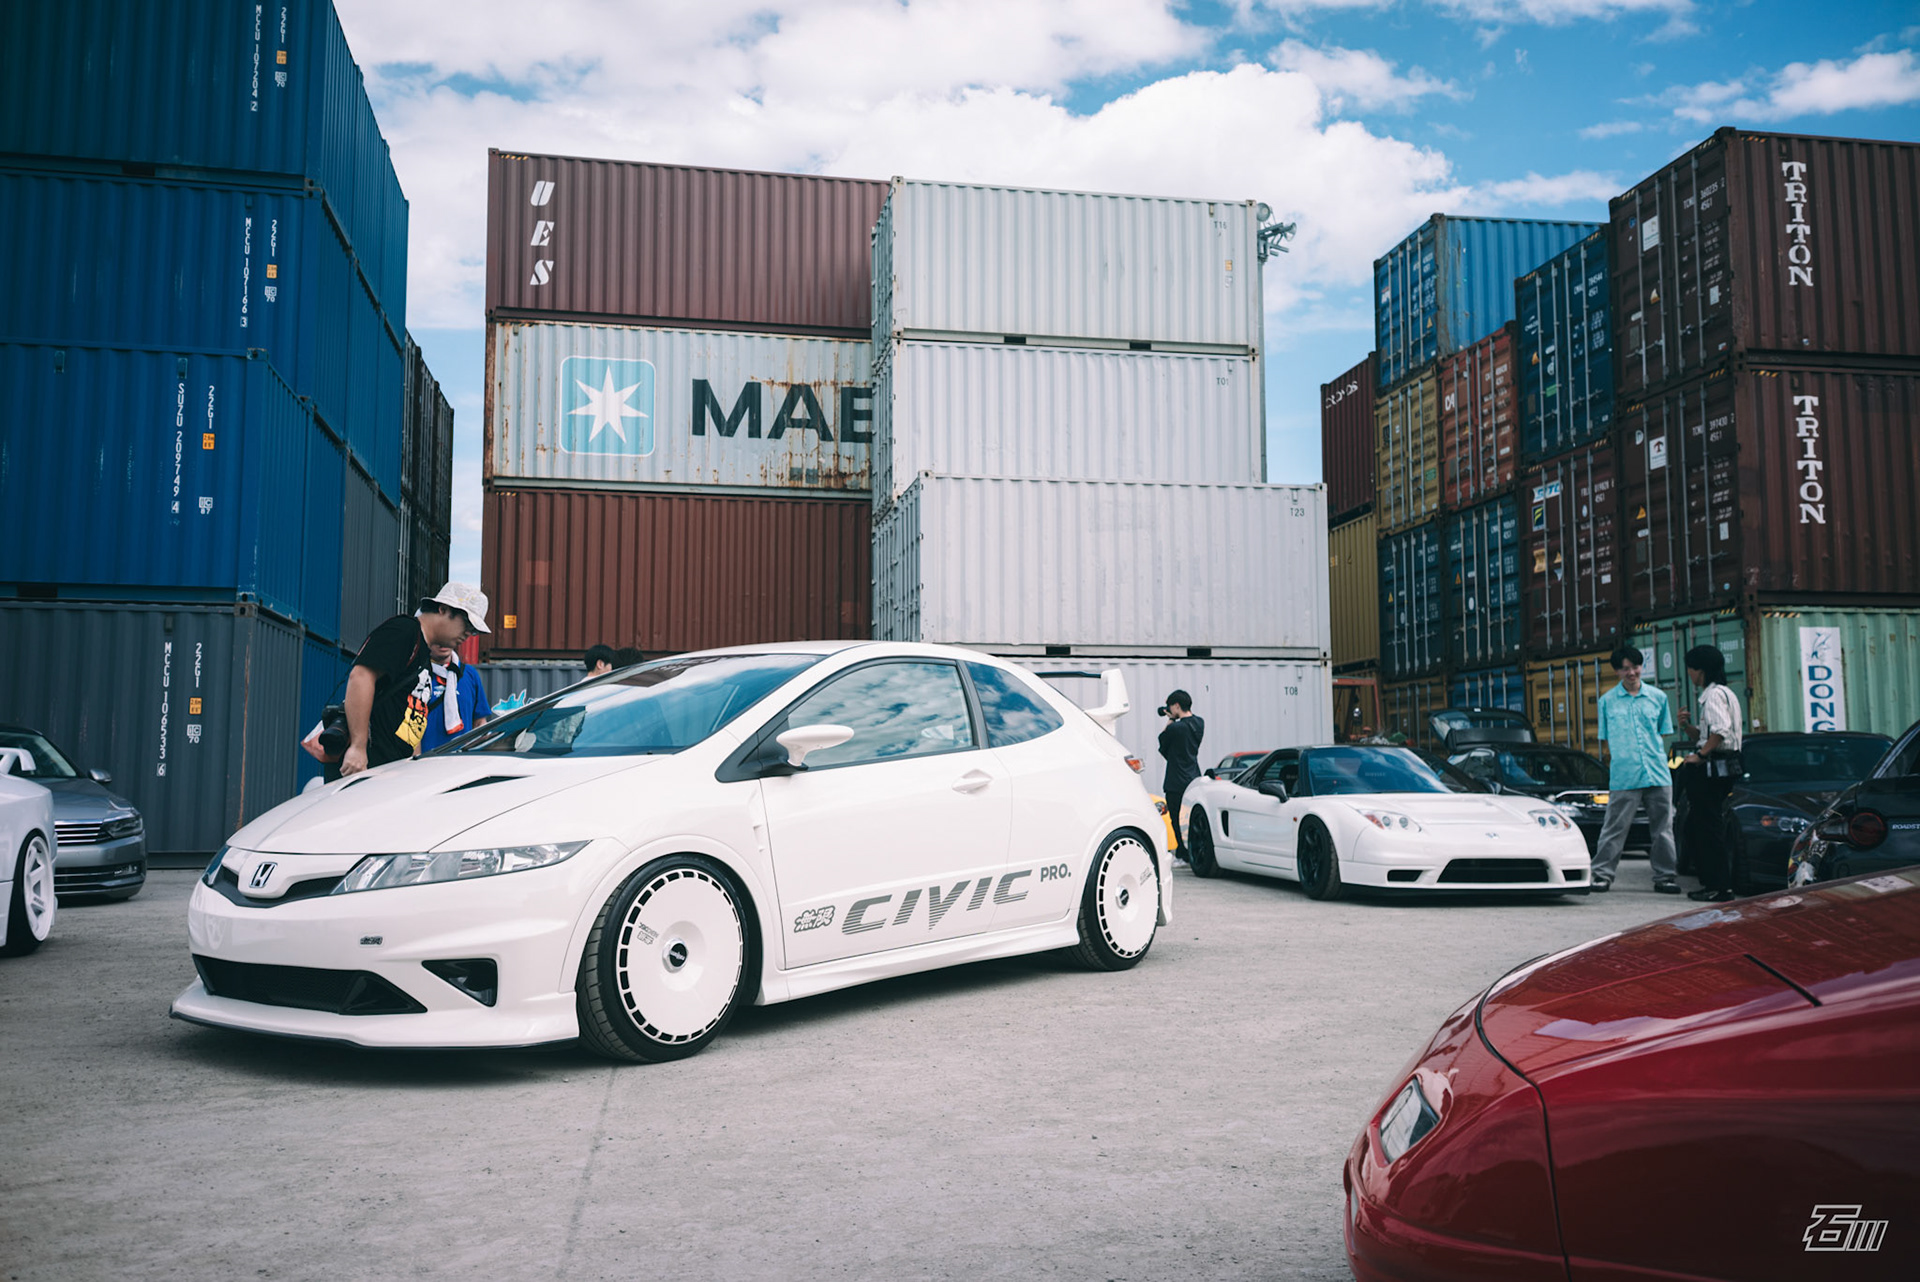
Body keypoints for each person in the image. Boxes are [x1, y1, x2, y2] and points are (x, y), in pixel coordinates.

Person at [338, 583, 490, 778]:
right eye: (467, 624)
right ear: (443, 609)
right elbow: (361, 677)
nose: (469, 633)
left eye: (473, 630)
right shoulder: (404, 630)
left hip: (392, 769)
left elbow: (413, 714)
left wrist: (412, 762)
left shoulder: (423, 652)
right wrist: (357, 747)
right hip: (367, 765)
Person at [1592, 646, 1680, 894]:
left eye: (1635, 667)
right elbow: (1605, 740)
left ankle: (1665, 877)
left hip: (1657, 772)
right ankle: (1601, 875)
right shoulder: (1606, 702)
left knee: (1663, 829)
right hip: (1625, 775)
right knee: (1614, 828)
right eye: (1625, 669)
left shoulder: (1658, 698)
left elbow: (1663, 732)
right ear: (1617, 671)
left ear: (1642, 667)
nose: (1631, 672)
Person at [1678, 644, 1744, 902]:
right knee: (1703, 825)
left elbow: (1721, 731)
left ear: (1701, 670)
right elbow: (1708, 734)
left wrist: (1701, 755)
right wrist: (1687, 727)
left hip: (1713, 769)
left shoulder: (1713, 695)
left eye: (1690, 668)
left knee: (1707, 828)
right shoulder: (1727, 693)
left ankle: (1718, 886)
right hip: (1725, 765)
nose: (1689, 674)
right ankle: (1714, 884)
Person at [418, 640, 493, 754]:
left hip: (461, 759)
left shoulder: (470, 674)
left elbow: (479, 722)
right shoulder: (417, 675)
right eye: (438, 638)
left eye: (448, 637)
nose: (443, 642)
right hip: (425, 758)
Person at [1157, 690, 1204, 863]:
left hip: (1176, 781)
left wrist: (1170, 719)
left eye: (1170, 707)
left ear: (1176, 706)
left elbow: (1162, 741)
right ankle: (1194, 855)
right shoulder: (1199, 723)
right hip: (1193, 778)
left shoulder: (1176, 728)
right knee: (1191, 821)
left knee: (1176, 820)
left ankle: (1183, 856)